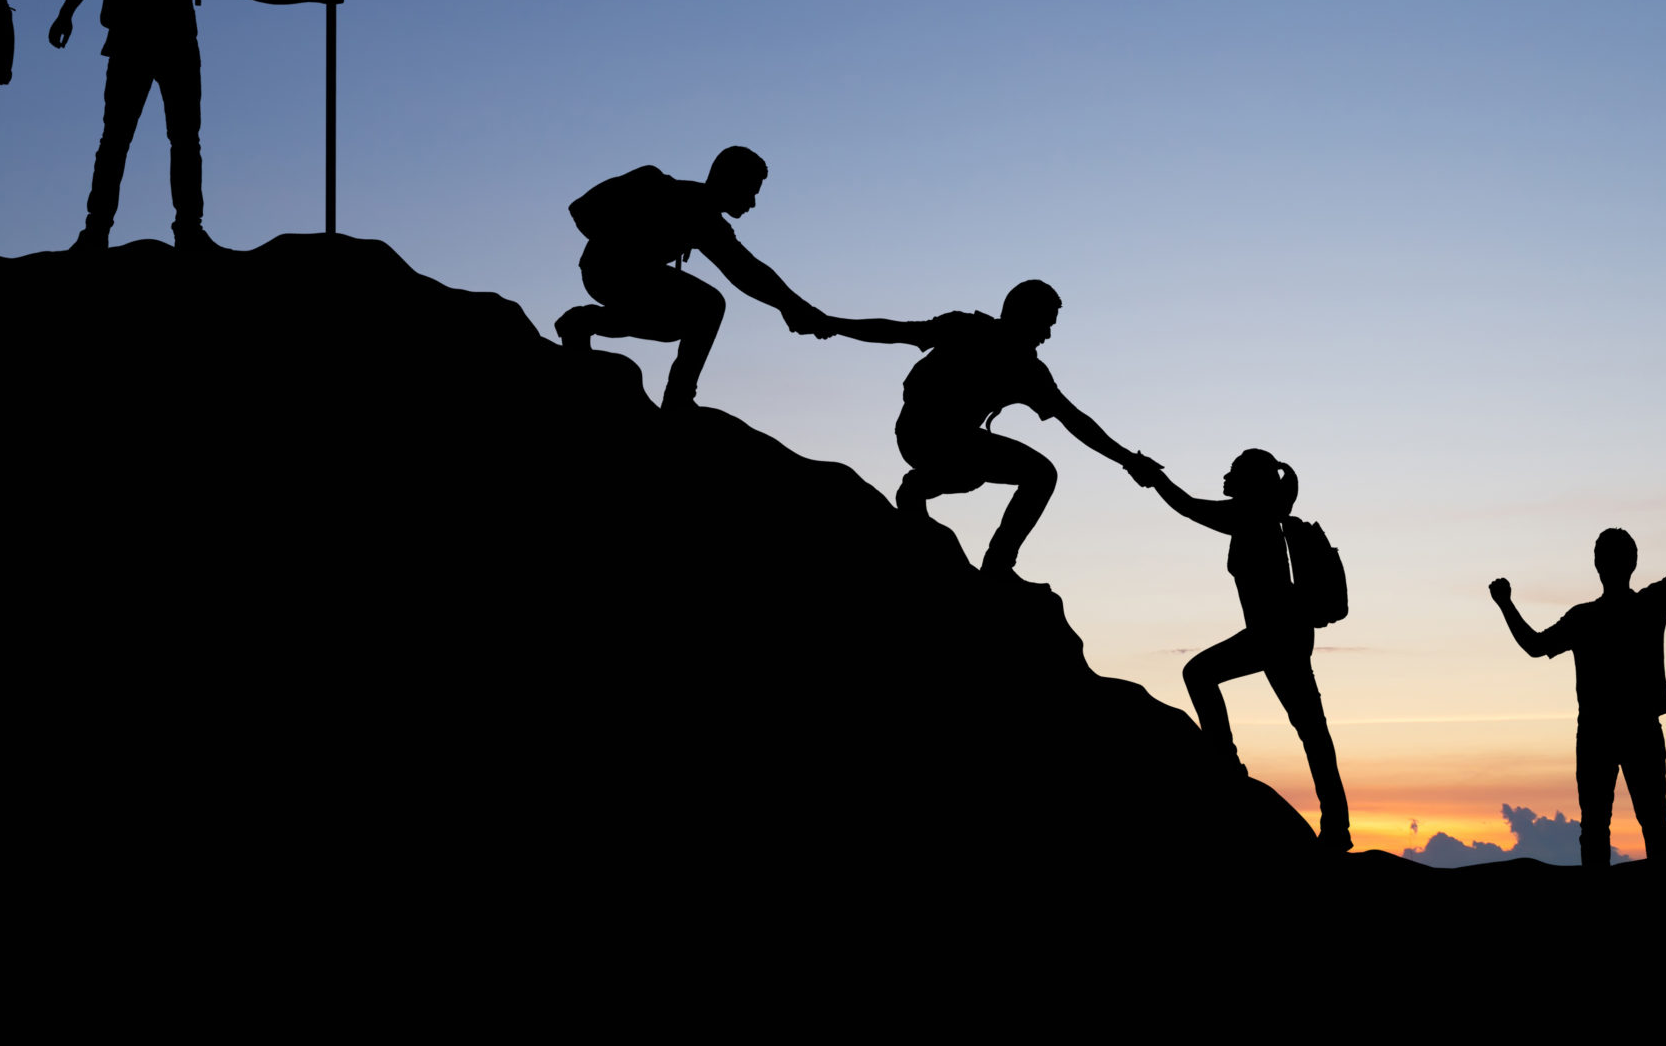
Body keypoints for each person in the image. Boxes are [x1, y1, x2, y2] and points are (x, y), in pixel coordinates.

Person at [47, 0, 343, 250]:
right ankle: (100, 230)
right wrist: (66, 12)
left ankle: (183, 229)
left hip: (174, 47)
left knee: (177, 140)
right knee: (124, 139)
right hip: (138, 43)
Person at [823, 280, 1154, 582]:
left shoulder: (1029, 370)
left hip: (954, 443)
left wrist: (1128, 460)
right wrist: (831, 323)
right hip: (920, 435)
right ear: (1024, 314)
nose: (1048, 335)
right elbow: (896, 331)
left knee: (989, 475)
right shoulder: (966, 329)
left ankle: (920, 488)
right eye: (1046, 323)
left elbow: (1075, 420)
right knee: (1039, 474)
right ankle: (998, 566)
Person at [1490, 464, 1666, 866]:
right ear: (1631, 563)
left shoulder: (1589, 618)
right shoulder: (1644, 607)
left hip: (1601, 730)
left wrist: (1506, 605)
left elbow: (1535, 647)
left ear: (1599, 564)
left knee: (1601, 825)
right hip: (1630, 727)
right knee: (1647, 823)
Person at [1140, 448, 1352, 852]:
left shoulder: (1249, 517)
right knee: (1312, 732)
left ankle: (1226, 761)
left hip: (1275, 634)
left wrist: (1156, 479)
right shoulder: (1258, 517)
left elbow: (1187, 507)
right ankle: (1337, 827)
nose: (1225, 475)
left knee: (1199, 674)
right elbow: (1192, 507)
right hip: (1283, 633)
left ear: (1249, 482)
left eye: (1234, 471)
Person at [554, 147, 831, 411]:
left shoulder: (710, 225)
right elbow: (581, 208)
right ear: (729, 179)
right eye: (750, 191)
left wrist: (793, 307)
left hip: (632, 280)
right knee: (709, 304)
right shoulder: (659, 185)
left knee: (675, 327)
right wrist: (626, 247)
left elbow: (747, 272)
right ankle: (679, 399)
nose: (753, 203)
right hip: (606, 271)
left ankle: (583, 321)